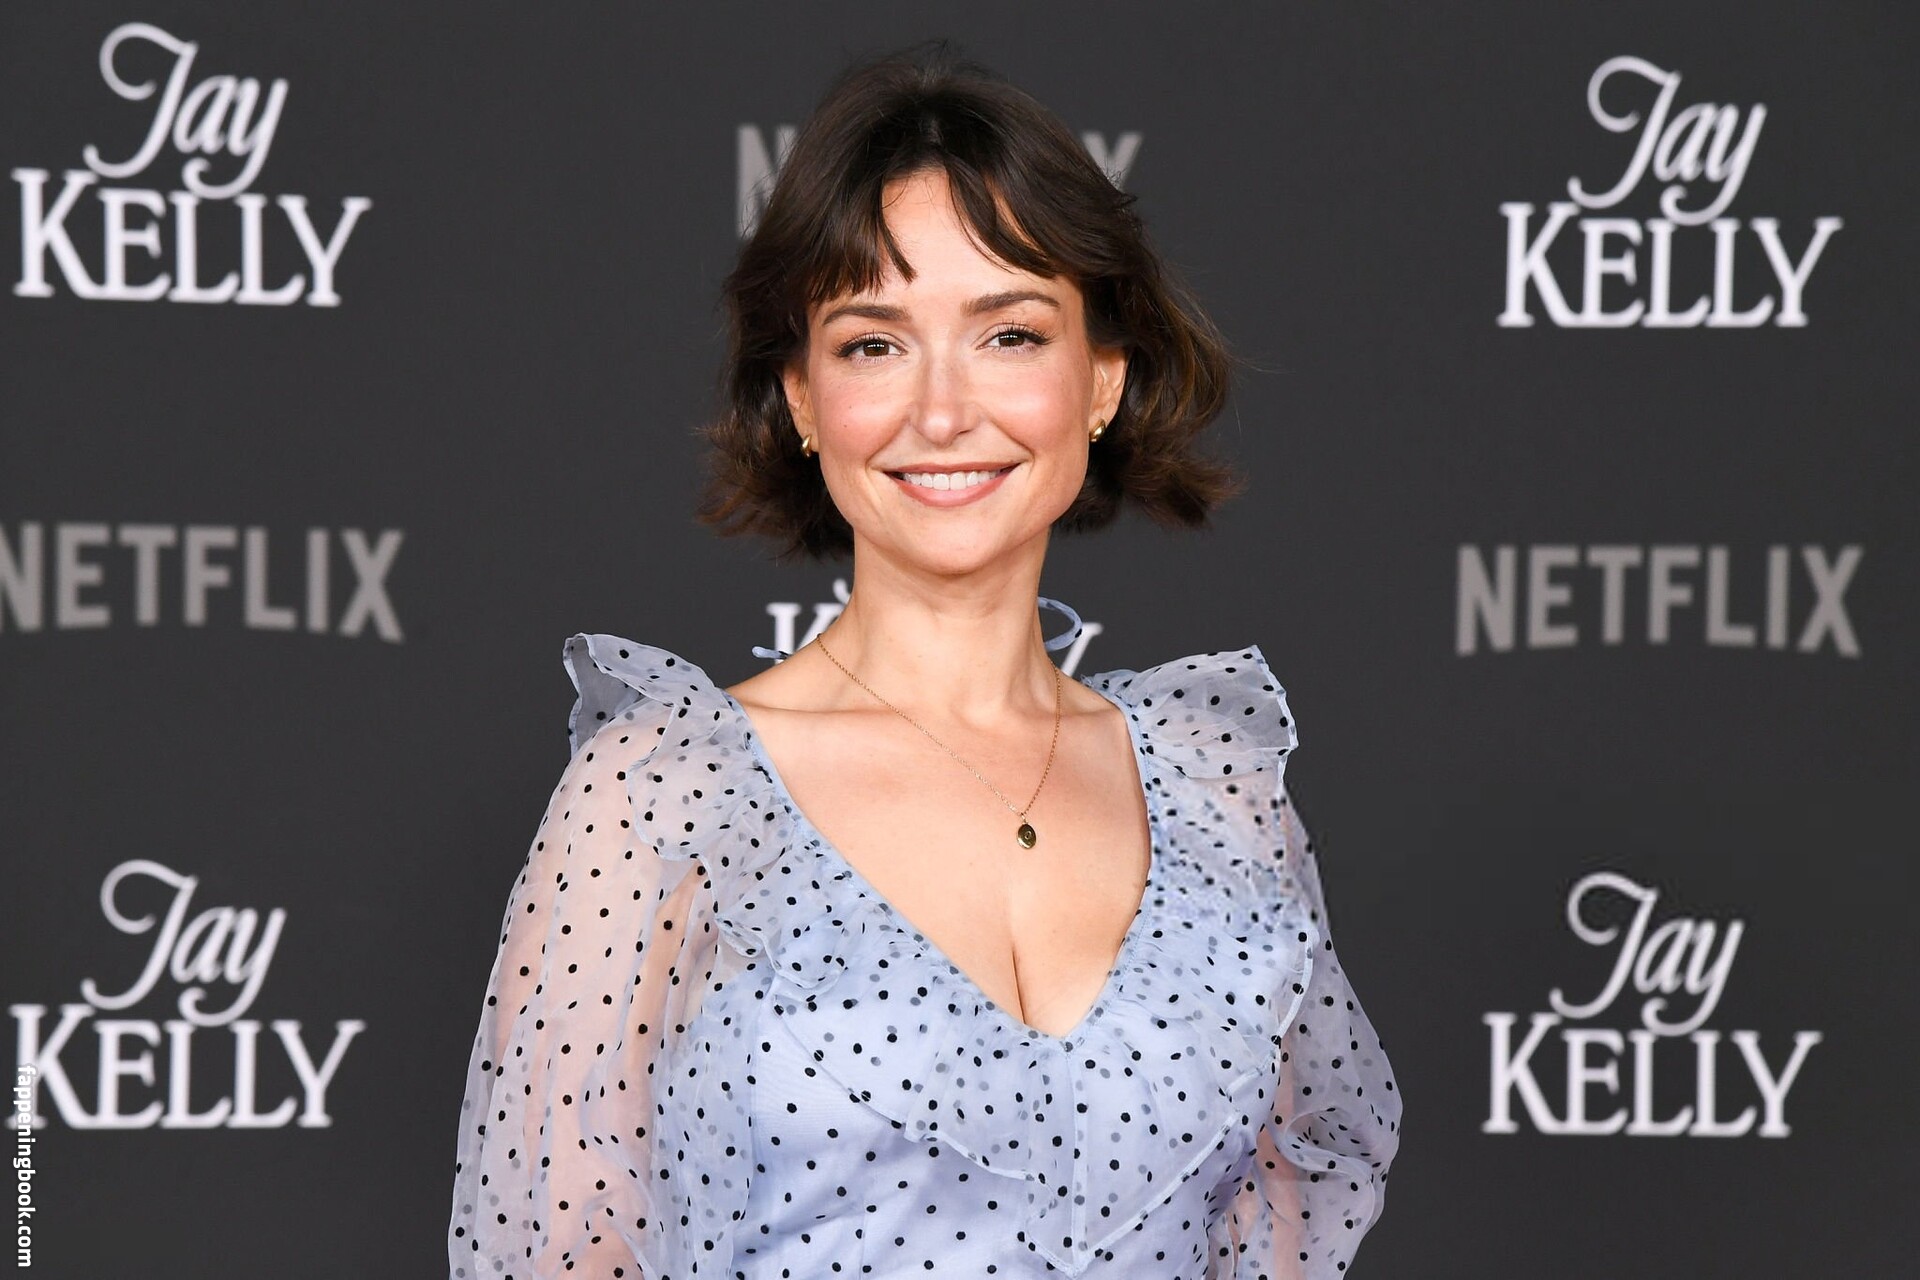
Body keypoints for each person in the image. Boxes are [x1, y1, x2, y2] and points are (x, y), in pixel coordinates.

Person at [448, 40, 1400, 1280]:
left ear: (1102, 378)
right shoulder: (663, 796)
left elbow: (1280, 1223)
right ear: (801, 396)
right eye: (873, 344)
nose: (942, 411)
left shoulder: (1221, 793)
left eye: (1009, 334)